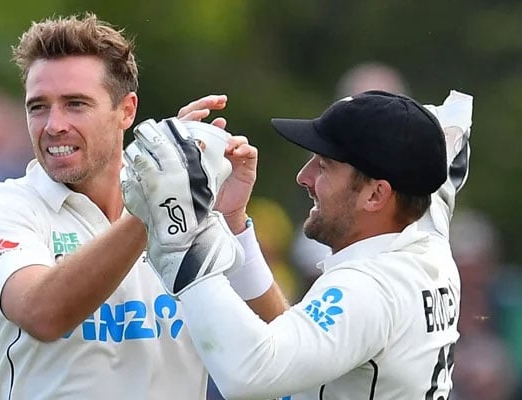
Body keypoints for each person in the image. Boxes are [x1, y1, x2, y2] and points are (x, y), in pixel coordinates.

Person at [0, 13, 285, 399]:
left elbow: (281, 347)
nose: (53, 125)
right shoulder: (4, 209)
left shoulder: (187, 213)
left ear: (127, 110)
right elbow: (42, 313)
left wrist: (231, 221)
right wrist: (156, 202)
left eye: (75, 104)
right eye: (38, 107)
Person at [123, 90, 473, 399]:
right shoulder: (428, 245)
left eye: (324, 166)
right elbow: (292, 341)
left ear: (376, 194)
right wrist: (232, 221)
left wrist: (185, 230)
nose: (304, 177)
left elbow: (249, 373)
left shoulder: (371, 288)